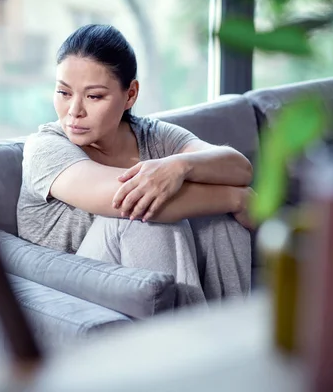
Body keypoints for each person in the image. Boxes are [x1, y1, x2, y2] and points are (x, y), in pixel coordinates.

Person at [17, 24, 254, 305]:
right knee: (143, 215)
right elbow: (128, 200)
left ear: (130, 94)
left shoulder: (151, 135)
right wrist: (234, 197)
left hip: (128, 285)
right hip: (67, 295)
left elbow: (239, 168)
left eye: (93, 96)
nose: (74, 111)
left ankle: (228, 331)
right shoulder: (45, 147)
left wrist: (179, 167)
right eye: (64, 93)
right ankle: (182, 343)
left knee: (220, 220)